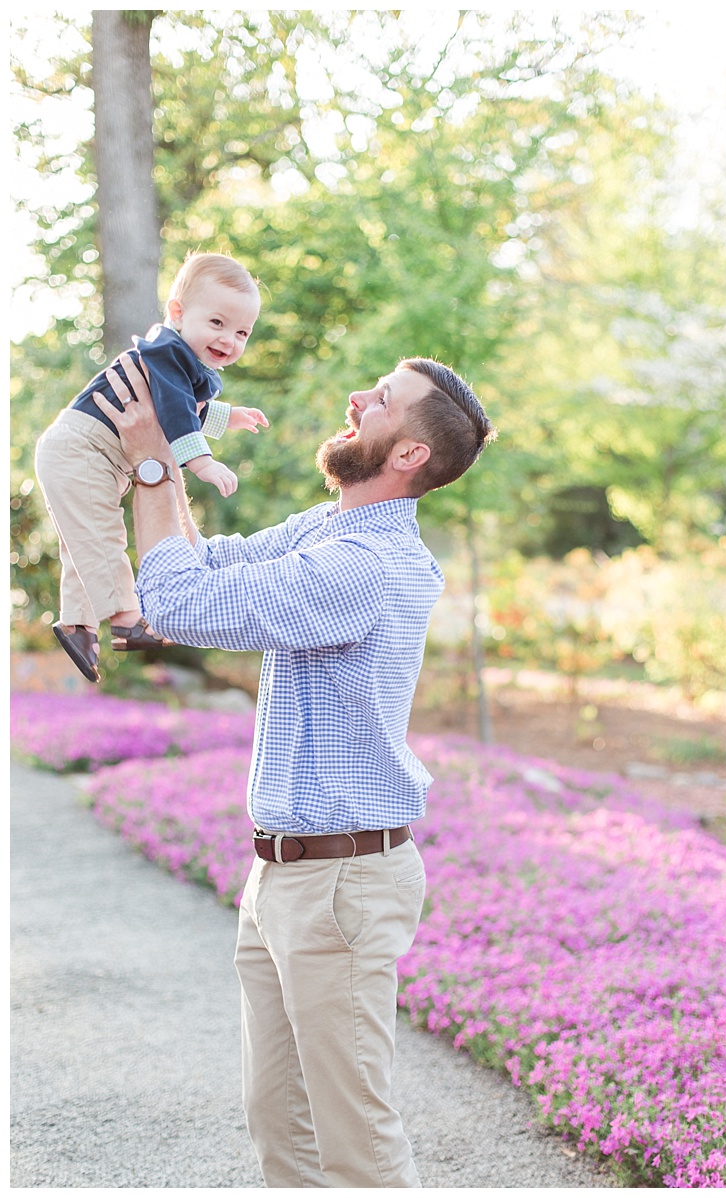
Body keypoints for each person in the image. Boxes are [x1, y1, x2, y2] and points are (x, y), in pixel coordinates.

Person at [91, 347, 495, 1186]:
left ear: (410, 454)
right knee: (283, 1129)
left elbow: (179, 602)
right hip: (283, 875)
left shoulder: (362, 567)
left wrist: (157, 462)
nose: (356, 397)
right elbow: (205, 566)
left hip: (340, 888)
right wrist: (161, 454)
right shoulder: (332, 530)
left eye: (380, 399)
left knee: (357, 1145)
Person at [34, 250, 269, 683]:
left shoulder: (180, 362)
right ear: (178, 313)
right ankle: (126, 619)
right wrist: (202, 463)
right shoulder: (167, 350)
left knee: (83, 542)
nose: (229, 340)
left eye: (242, 332)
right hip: (81, 449)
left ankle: (78, 626)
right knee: (102, 537)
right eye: (216, 323)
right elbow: (177, 410)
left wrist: (228, 415)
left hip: (89, 454)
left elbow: (179, 405)